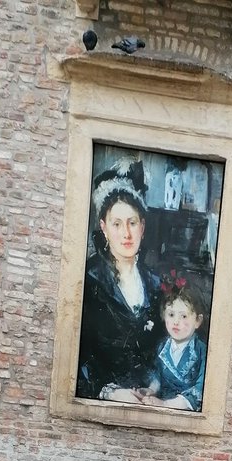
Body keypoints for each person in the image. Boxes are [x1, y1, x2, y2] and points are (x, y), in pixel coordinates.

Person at [76, 160, 163, 402]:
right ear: (104, 228)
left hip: (146, 399)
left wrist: (155, 384)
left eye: (132, 223)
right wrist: (108, 392)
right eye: (117, 224)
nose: (126, 234)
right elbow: (77, 355)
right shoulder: (89, 279)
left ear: (142, 227)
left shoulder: (155, 284)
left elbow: (160, 350)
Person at [138, 276, 208, 413]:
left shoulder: (202, 351)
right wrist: (152, 389)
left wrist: (165, 404)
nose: (176, 322)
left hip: (184, 411)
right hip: (159, 405)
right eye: (171, 315)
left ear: (198, 321)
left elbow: (199, 391)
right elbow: (158, 375)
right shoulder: (163, 346)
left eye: (183, 316)